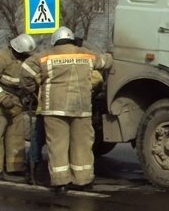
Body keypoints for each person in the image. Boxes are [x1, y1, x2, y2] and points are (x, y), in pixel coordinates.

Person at [20, 26, 112, 193]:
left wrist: (33, 87)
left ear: (55, 41)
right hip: (81, 107)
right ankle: (83, 180)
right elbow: (106, 62)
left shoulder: (45, 56)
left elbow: (26, 70)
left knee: (57, 145)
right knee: (82, 145)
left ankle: (60, 182)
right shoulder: (85, 54)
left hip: (54, 108)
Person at [0, 33, 36, 182]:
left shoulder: (25, 59)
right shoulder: (0, 58)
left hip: (16, 104)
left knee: (16, 136)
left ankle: (15, 167)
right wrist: (3, 99)